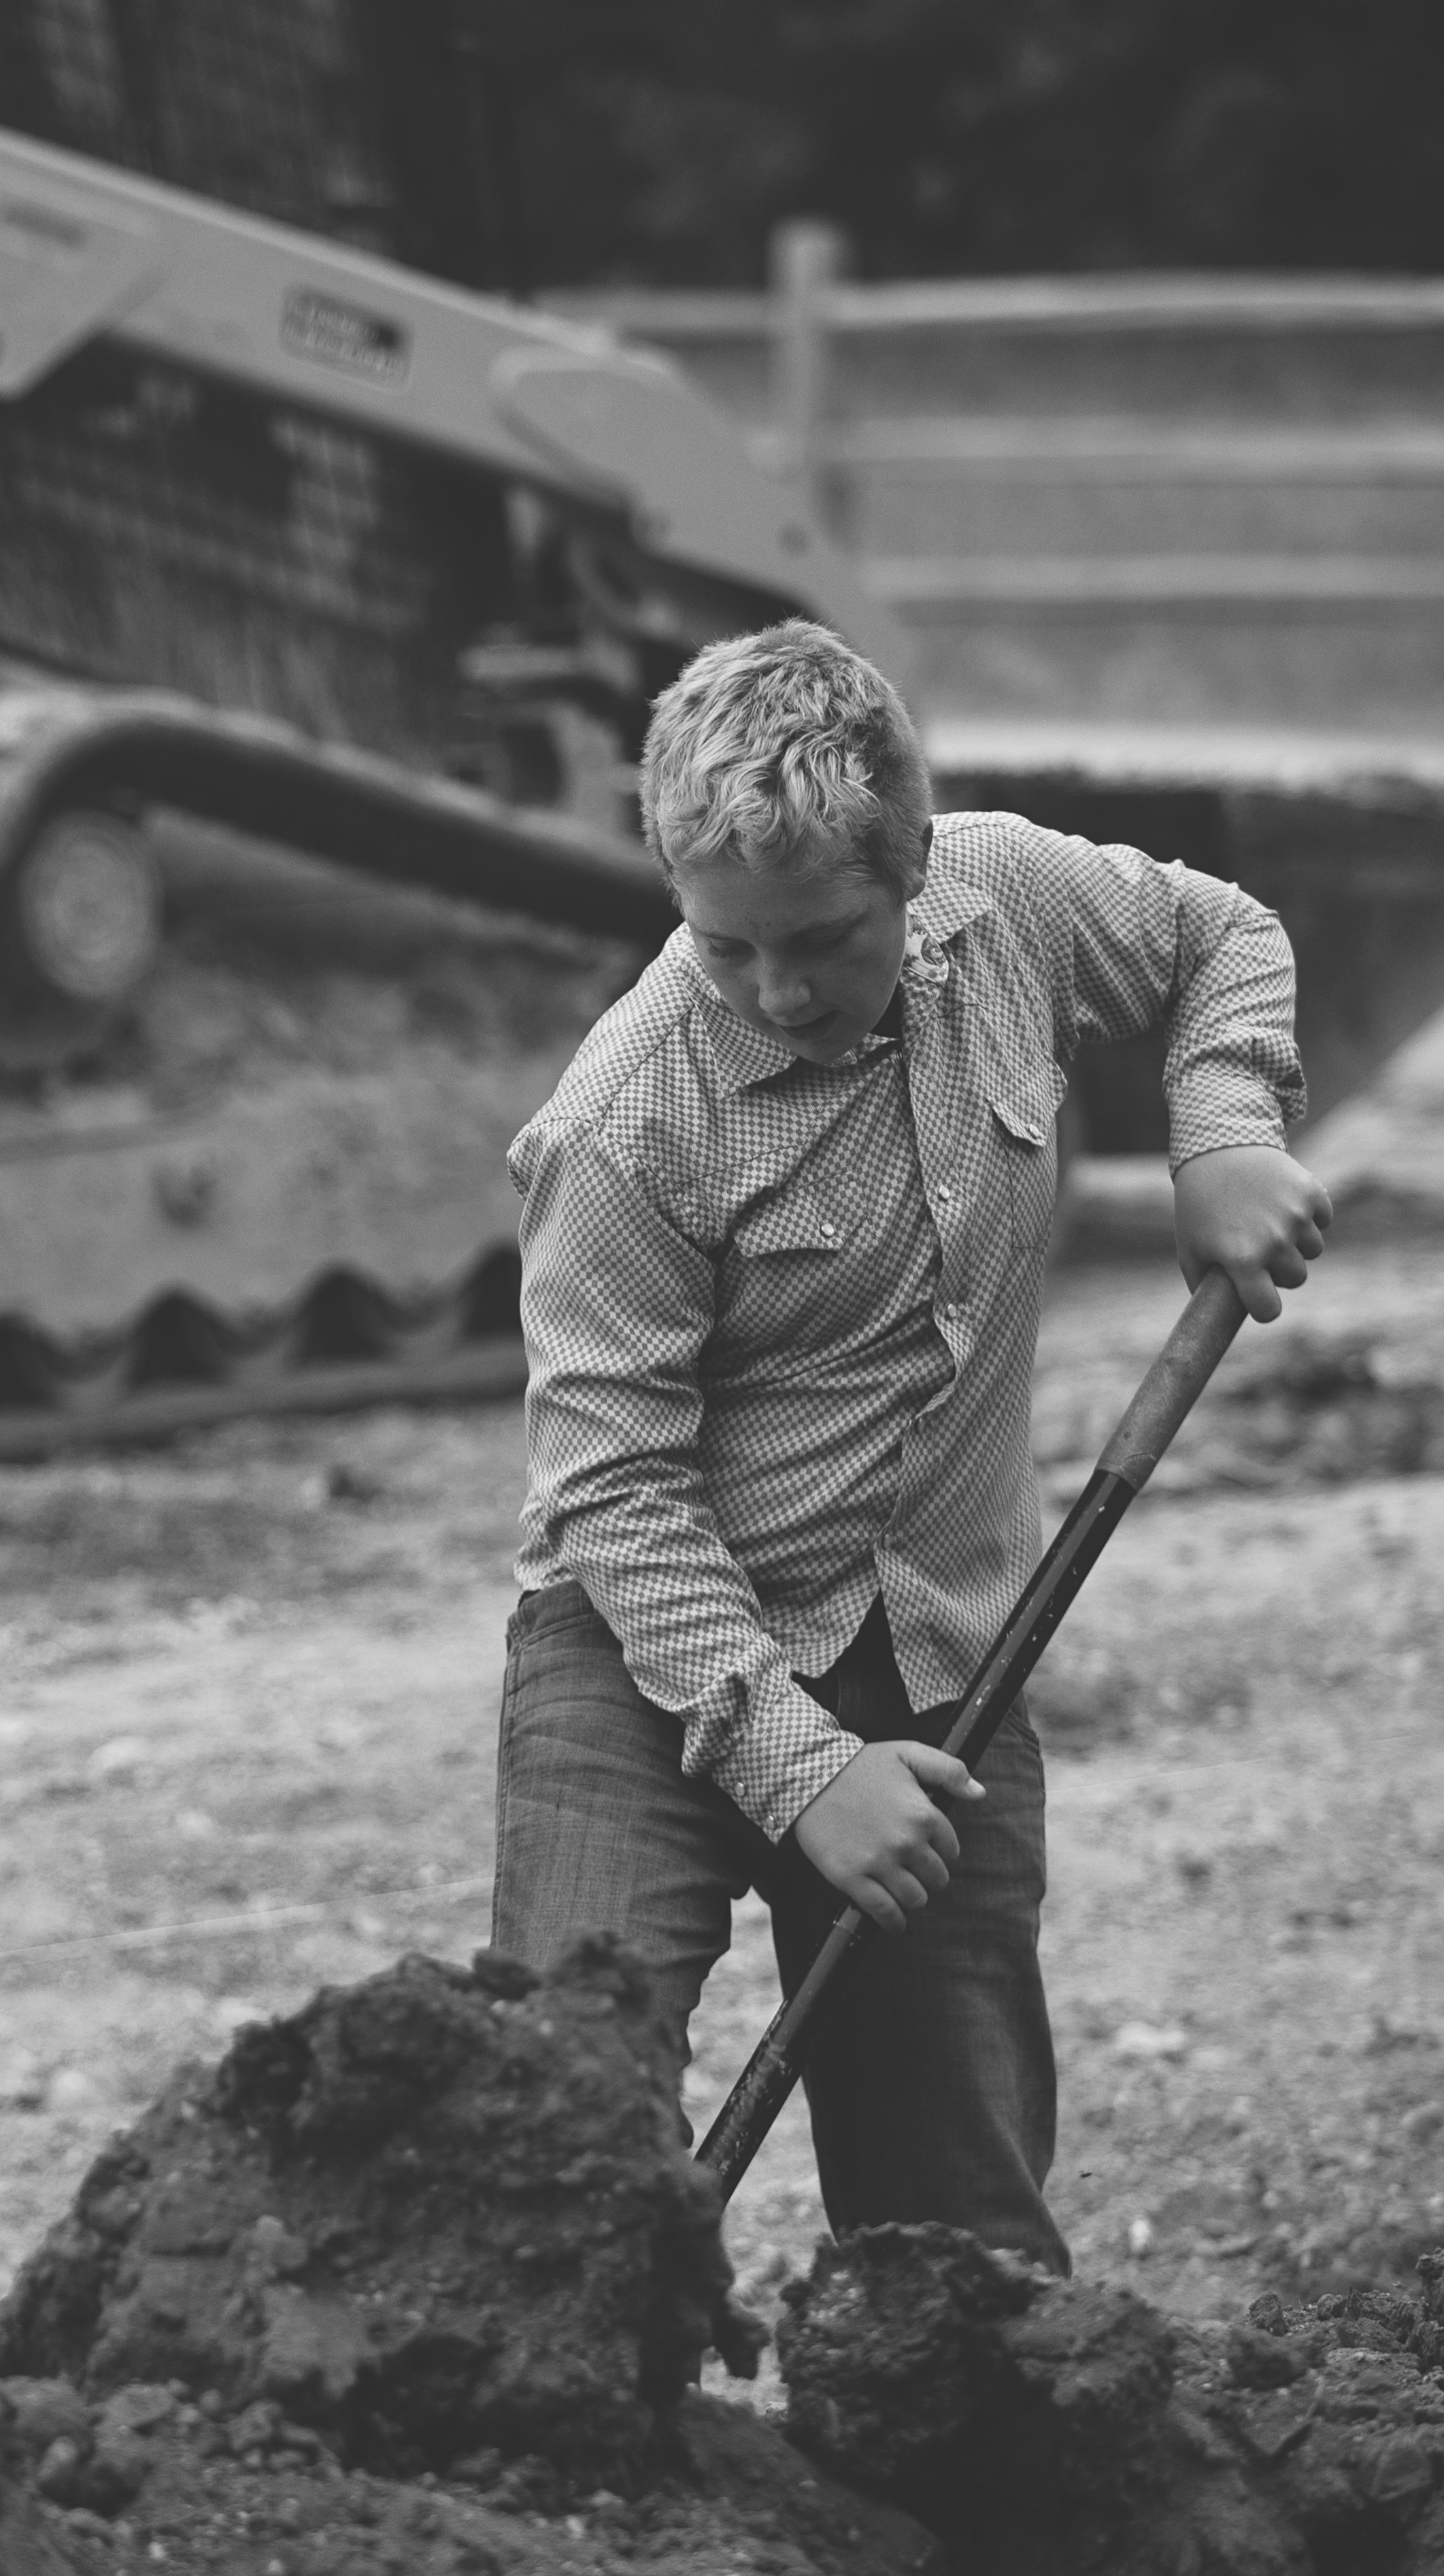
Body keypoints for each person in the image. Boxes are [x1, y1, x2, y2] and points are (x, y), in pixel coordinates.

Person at [491, 619, 1330, 2274]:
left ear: (917, 865)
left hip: (941, 1647)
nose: (777, 992)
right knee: (548, 2140)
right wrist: (802, 1770)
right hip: (648, 1652)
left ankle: (955, 2422)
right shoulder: (628, 1118)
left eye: (822, 939)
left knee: (957, 2229)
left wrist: (1224, 1129)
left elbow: (1219, 935)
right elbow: (615, 1489)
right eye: (726, 947)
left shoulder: (1007, 899)